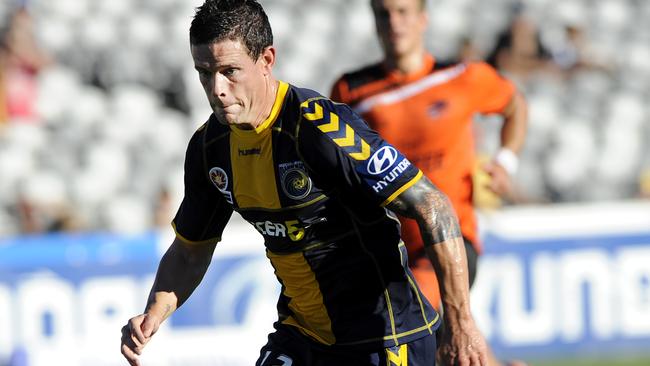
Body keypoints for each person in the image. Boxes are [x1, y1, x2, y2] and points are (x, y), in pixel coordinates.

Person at [120, 0, 488, 365]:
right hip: (303, 336)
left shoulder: (318, 127)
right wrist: (154, 313)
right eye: (204, 72)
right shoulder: (209, 149)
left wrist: (461, 325)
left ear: (266, 60)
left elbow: (433, 206)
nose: (216, 88)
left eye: (230, 71)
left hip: (386, 338)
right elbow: (189, 251)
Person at [330, 0, 528, 364]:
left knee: (405, 326)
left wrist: (505, 160)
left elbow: (515, 105)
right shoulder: (351, 91)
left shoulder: (462, 77)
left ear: (423, 19)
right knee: (449, 345)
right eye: (384, 14)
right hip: (390, 250)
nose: (394, 23)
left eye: (402, 12)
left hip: (451, 241)